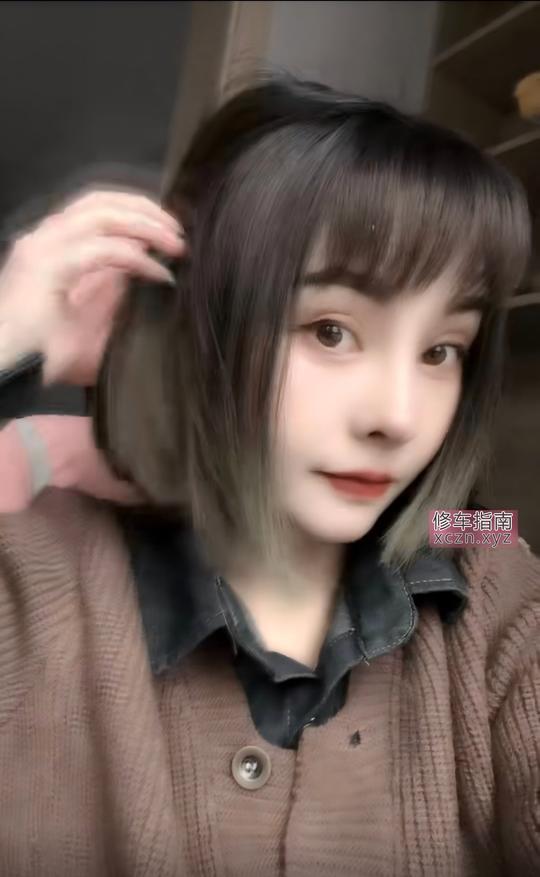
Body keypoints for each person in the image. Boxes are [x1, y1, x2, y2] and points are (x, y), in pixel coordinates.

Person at [0, 75, 538, 876]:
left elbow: (492, 531)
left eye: (440, 350)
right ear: (197, 330)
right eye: (331, 330)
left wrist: (484, 530)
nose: (398, 418)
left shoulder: (484, 566)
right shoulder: (35, 574)